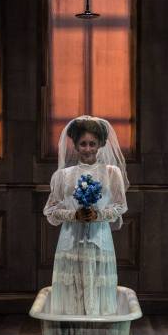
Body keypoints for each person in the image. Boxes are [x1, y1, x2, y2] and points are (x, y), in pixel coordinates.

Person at [43, 115, 129, 316]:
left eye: (92, 144)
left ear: (101, 144)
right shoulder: (63, 175)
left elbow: (120, 206)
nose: (88, 149)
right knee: (72, 286)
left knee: (98, 286)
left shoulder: (112, 173)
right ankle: (72, 327)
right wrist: (74, 215)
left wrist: (98, 214)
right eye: (83, 144)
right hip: (71, 240)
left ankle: (98, 327)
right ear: (75, 145)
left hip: (99, 239)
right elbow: (51, 210)